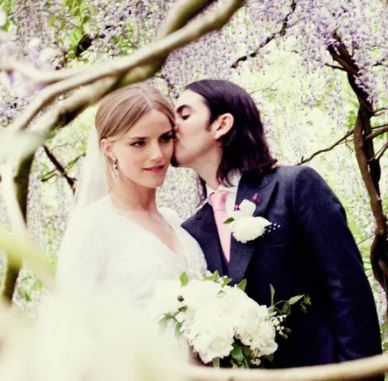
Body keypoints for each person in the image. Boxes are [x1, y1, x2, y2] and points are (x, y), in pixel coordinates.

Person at [173, 79, 383, 373]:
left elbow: (347, 289)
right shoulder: (191, 230)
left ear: (221, 124)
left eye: (183, 115)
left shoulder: (295, 186)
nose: (172, 126)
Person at [56, 84, 206, 309]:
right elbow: (69, 323)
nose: (157, 154)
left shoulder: (174, 221)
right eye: (139, 143)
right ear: (108, 148)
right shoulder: (91, 226)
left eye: (165, 138)